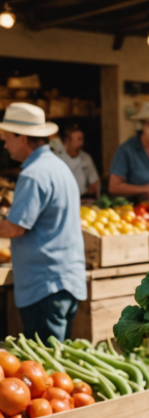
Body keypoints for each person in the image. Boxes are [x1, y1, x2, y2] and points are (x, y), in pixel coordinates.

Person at [0, 103, 86, 341]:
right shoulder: (58, 166)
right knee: (57, 362)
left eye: (7, 138)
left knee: (46, 367)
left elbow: (15, 228)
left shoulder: (33, 173)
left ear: (23, 138)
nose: (5, 145)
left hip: (45, 286)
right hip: (64, 281)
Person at [56, 125, 101, 199]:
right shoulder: (58, 158)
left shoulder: (86, 158)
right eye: (78, 139)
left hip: (82, 198)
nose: (81, 143)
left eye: (82, 139)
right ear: (67, 140)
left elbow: (95, 182)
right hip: (63, 198)